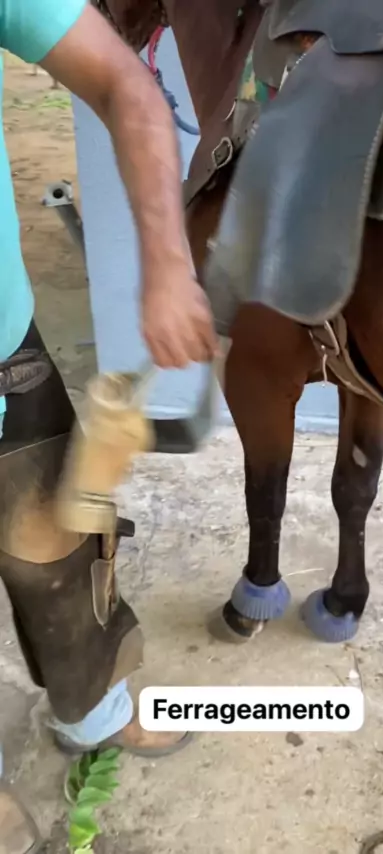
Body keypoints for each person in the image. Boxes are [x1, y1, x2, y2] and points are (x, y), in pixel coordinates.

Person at [0, 1, 217, 851]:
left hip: (3, 350)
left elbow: (127, 86)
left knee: (62, 551)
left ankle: (92, 711)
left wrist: (167, 268)